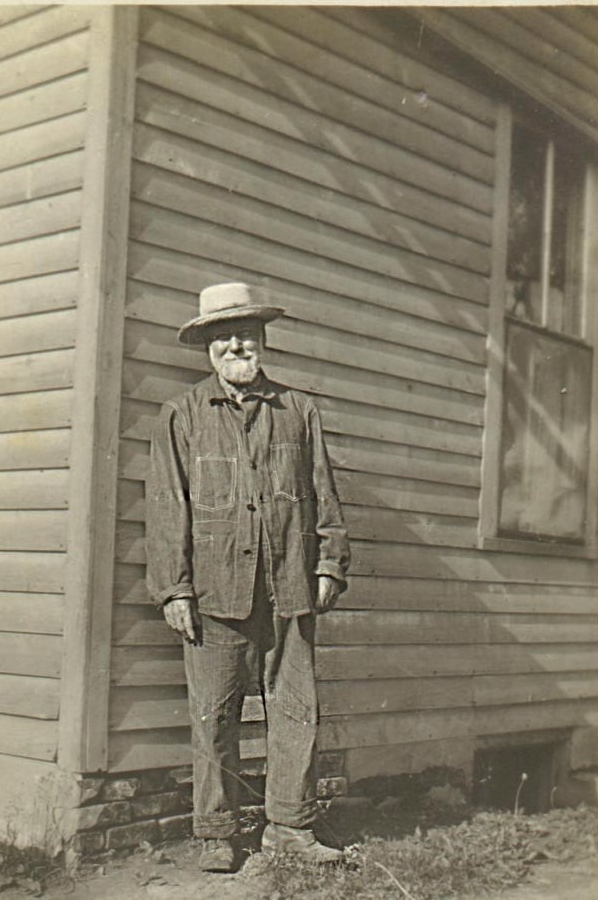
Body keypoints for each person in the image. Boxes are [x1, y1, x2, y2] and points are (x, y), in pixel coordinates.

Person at [146, 282, 350, 872]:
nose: (236, 345)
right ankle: (216, 832)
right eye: (223, 336)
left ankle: (290, 827)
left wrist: (329, 563)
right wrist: (175, 588)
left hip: (289, 583)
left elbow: (324, 494)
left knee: (295, 710)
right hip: (214, 592)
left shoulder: (298, 410)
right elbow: (166, 508)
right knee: (214, 713)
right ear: (208, 347)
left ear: (262, 341)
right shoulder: (181, 416)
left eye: (247, 335)